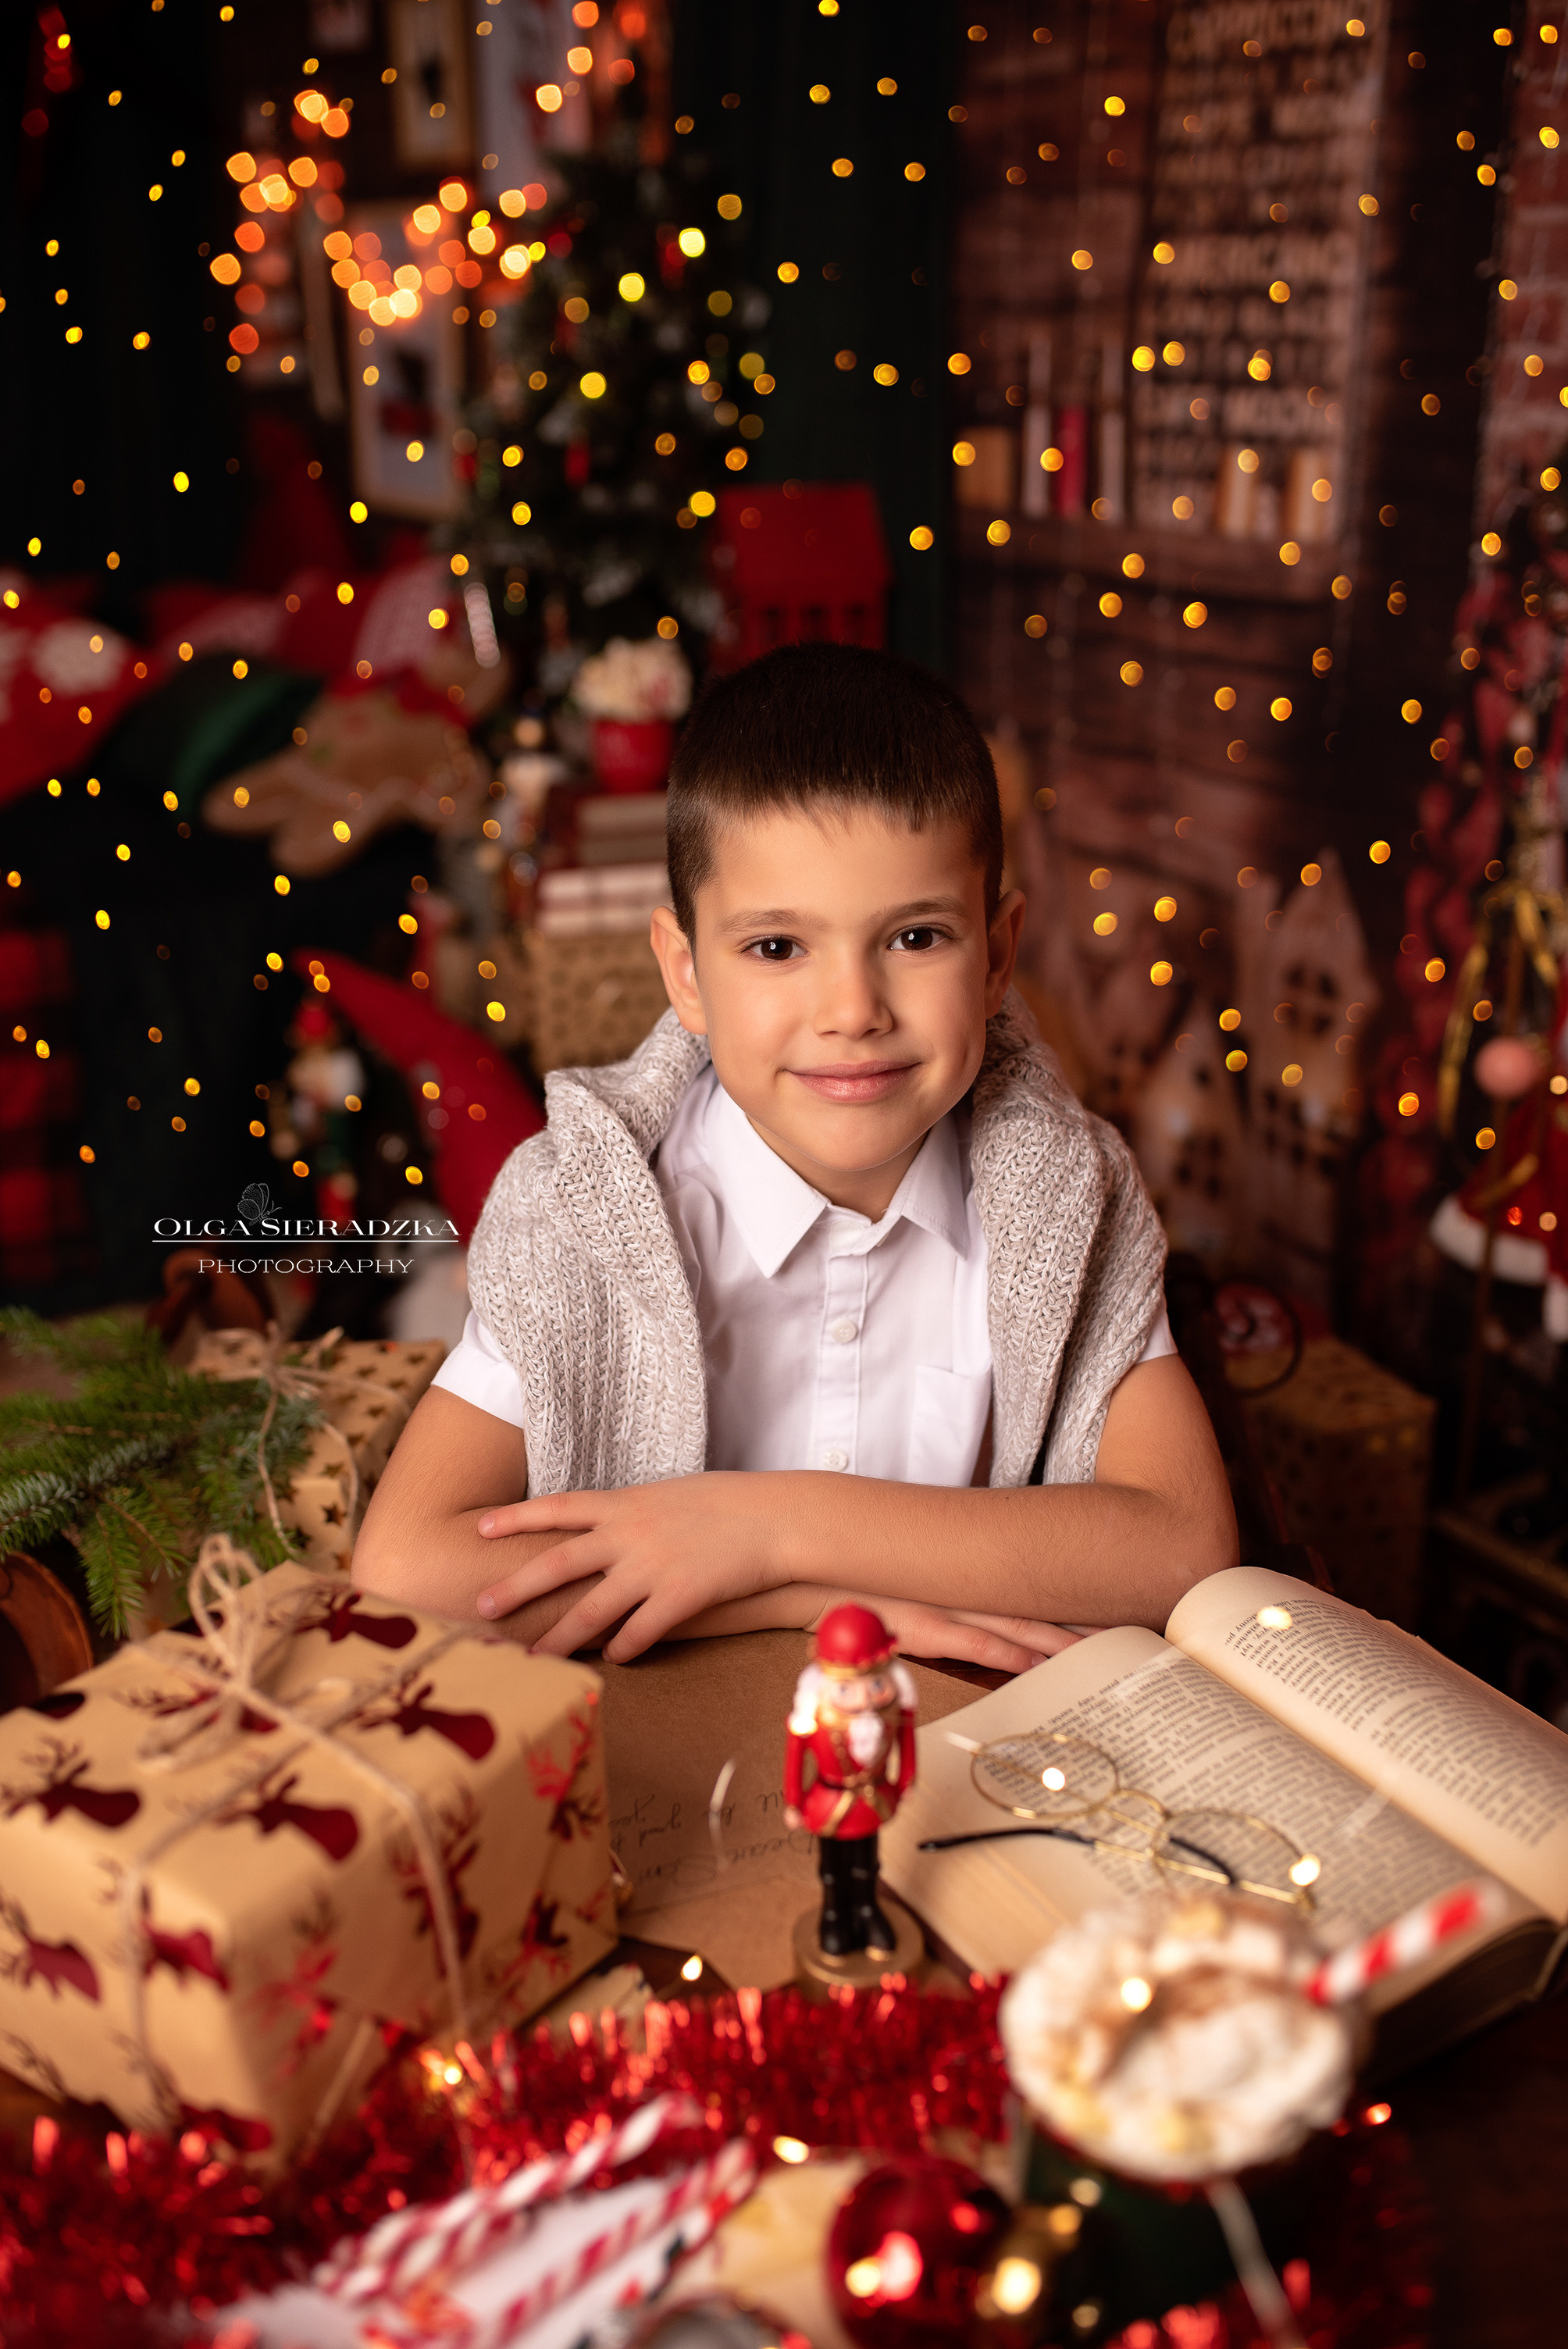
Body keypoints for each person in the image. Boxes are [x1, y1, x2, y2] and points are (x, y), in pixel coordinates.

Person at [353, 643, 1237, 1671]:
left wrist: (766, 1528)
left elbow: (1183, 1547)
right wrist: (802, 1600)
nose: (853, 1011)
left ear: (998, 955)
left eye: (915, 938)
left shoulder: (1067, 1198)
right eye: (777, 948)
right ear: (686, 974)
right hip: (657, 1742)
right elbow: (407, 1569)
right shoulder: (579, 1212)